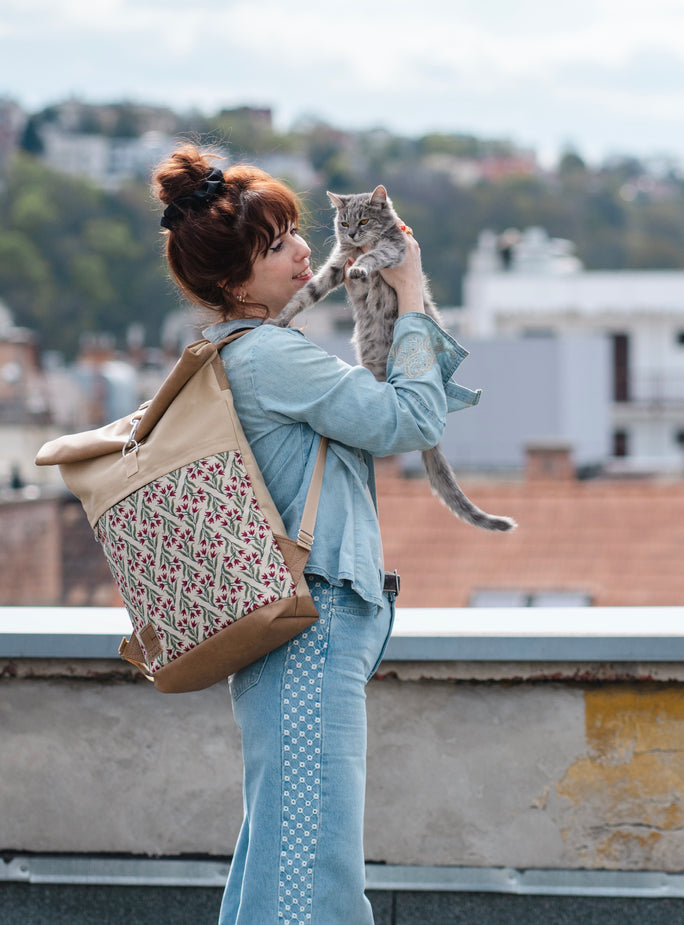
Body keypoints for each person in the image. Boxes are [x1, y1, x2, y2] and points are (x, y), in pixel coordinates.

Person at [152, 145, 479, 925]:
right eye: (276, 244)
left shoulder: (227, 353)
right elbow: (411, 418)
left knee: (281, 851)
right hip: (312, 624)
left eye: (296, 231)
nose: (303, 250)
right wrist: (410, 290)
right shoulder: (273, 357)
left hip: (277, 627)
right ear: (237, 282)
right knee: (314, 870)